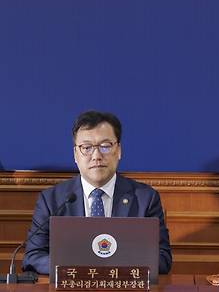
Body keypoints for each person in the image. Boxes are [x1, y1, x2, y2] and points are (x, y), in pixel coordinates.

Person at [22, 110, 172, 274]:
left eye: (105, 146)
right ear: (75, 155)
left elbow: (163, 259)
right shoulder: (51, 200)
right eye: (86, 147)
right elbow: (33, 257)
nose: (96, 156)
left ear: (119, 150)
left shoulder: (145, 199)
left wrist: (109, 269)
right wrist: (81, 269)